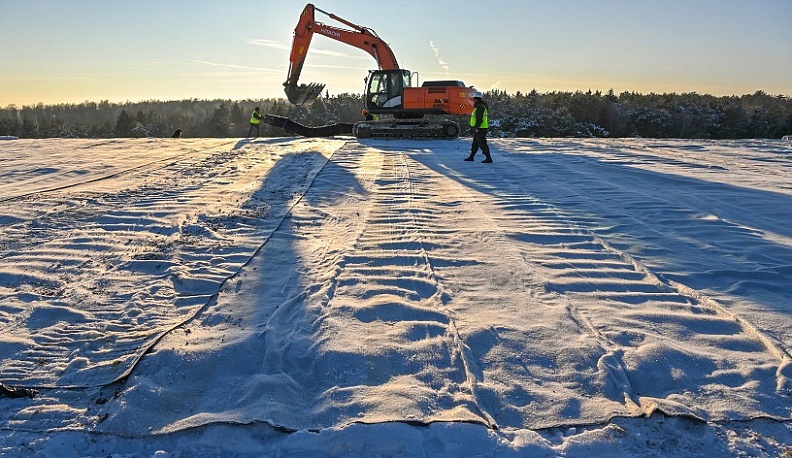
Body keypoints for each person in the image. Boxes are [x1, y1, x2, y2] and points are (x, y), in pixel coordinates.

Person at [465, 92, 492, 163]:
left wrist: (477, 127)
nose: (473, 100)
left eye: (474, 99)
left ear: (476, 99)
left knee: (482, 143)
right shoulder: (479, 106)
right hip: (479, 127)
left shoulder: (480, 107)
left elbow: (479, 118)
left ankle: (488, 158)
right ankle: (471, 157)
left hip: (480, 128)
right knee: (475, 143)